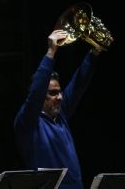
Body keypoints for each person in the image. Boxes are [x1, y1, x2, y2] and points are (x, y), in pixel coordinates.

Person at [13, 29, 102, 189]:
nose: (60, 97)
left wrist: (95, 51)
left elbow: (79, 83)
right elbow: (36, 91)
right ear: (41, 96)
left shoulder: (61, 115)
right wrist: (51, 50)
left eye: (59, 91)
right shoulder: (28, 123)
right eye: (53, 93)